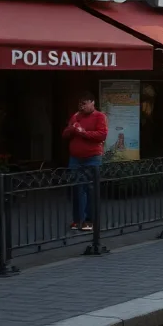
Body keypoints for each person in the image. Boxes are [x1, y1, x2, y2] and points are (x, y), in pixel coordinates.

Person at [63, 92, 108, 232]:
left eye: (84, 103)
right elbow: (65, 134)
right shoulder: (76, 116)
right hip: (75, 159)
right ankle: (78, 220)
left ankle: (89, 221)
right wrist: (72, 129)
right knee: (77, 189)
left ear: (92, 103)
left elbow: (102, 135)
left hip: (92, 158)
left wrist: (83, 133)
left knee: (90, 189)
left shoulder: (99, 116)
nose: (81, 106)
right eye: (80, 104)